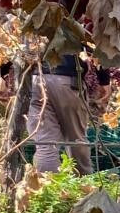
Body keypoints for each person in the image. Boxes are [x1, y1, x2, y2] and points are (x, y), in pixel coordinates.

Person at [28, 46, 94, 176]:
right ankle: (84, 186)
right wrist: (104, 80)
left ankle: (48, 189)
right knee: (76, 140)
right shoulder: (75, 25)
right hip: (67, 80)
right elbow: (96, 43)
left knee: (45, 144)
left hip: (37, 79)